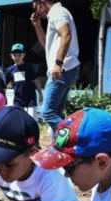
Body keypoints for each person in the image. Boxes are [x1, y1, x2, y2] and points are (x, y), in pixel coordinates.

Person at [31, 0, 80, 135]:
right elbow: (47, 45)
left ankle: (71, 138)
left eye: (35, 8)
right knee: (56, 112)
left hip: (62, 69)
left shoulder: (58, 12)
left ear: (42, 3)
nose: (36, 13)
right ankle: (58, 149)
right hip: (66, 68)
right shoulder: (55, 15)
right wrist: (37, 26)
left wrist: (58, 63)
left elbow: (66, 35)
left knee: (47, 112)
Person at [5, 43, 44, 121]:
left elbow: (36, 81)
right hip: (18, 100)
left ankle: (33, 132)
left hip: (30, 98)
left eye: (19, 55)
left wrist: (40, 94)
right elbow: (5, 84)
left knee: (32, 119)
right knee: (19, 120)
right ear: (11, 55)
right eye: (15, 55)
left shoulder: (29, 67)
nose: (17, 57)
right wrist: (4, 96)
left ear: (24, 55)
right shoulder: (9, 70)